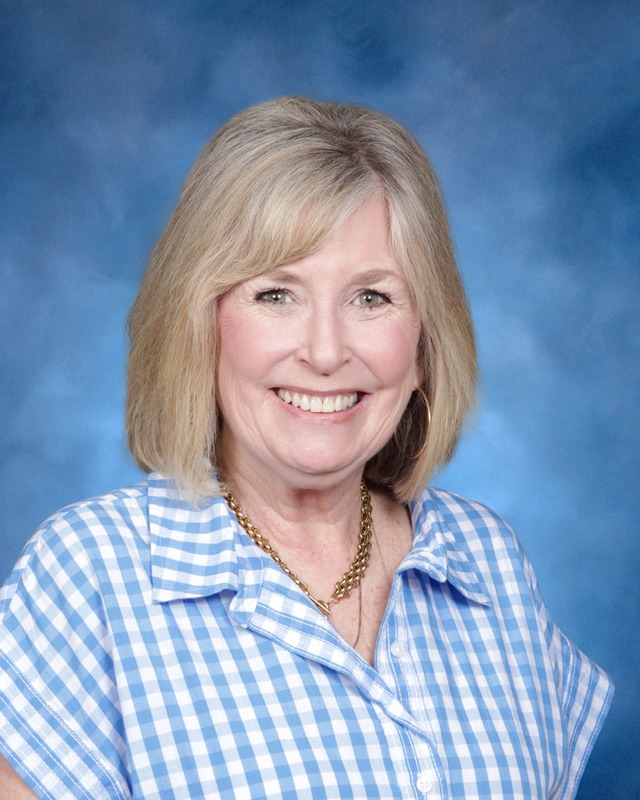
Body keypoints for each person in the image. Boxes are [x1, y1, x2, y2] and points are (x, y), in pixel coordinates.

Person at [0, 97, 613, 799]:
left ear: (422, 341)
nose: (325, 352)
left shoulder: (489, 563)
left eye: (372, 298)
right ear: (201, 323)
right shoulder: (89, 574)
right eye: (275, 295)